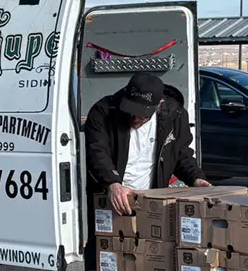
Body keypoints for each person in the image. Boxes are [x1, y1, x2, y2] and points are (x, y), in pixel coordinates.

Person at [85, 72, 211, 224]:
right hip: (112, 197)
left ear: (159, 104)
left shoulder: (175, 117)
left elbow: (180, 154)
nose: (134, 118)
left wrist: (195, 178)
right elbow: (97, 151)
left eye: (141, 115)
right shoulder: (103, 111)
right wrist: (112, 183)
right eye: (130, 111)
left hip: (151, 201)